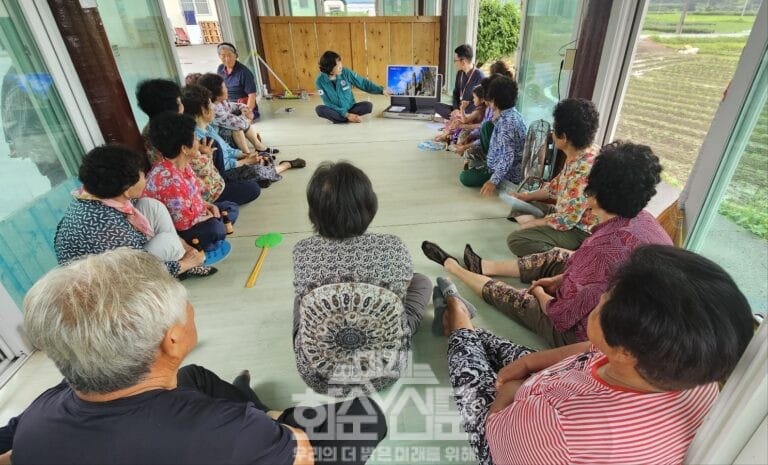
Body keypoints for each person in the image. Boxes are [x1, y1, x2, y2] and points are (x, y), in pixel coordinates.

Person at [0, 248, 388, 464]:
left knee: (197, 377)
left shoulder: (41, 411)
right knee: (366, 417)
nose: (191, 311)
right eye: (186, 305)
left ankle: (257, 405)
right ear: (171, 341)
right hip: (244, 437)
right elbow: (300, 452)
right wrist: (273, 431)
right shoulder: (227, 432)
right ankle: (263, 412)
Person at [434, 245, 754, 465]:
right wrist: (532, 363)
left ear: (626, 352)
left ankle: (458, 316)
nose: (599, 297)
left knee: (468, 367)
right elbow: (592, 351)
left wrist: (510, 391)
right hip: (559, 387)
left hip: (518, 432)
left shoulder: (562, 426)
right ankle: (471, 331)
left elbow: (496, 433)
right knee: (505, 352)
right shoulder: (694, 371)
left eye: (606, 300)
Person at [423, 141, 672, 346]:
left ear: (595, 193)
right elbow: (591, 272)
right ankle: (485, 266)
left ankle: (454, 268)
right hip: (624, 315)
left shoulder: (601, 249)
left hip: (590, 338)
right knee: (558, 255)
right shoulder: (645, 222)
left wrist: (541, 293)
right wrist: (559, 280)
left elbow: (561, 316)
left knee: (519, 299)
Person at [293, 162, 432, 393]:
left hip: (319, 379)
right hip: (387, 373)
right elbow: (404, 290)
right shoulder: (392, 247)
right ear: (369, 207)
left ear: (313, 213)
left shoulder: (302, 252)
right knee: (422, 282)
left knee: (300, 298)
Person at [54, 145, 213, 279]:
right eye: (142, 174)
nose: (146, 178)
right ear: (127, 190)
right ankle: (182, 265)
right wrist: (186, 263)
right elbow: (134, 273)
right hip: (110, 284)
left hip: (120, 259)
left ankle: (181, 254)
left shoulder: (93, 196)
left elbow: (138, 207)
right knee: (168, 242)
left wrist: (185, 246)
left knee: (151, 206)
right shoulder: (110, 228)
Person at [505, 98, 600, 256]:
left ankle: (570, 257)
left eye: (554, 128)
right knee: (519, 205)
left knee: (517, 241)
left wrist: (536, 223)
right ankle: (539, 230)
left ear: (563, 137)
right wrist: (525, 196)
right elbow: (554, 187)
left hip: (579, 230)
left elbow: (567, 220)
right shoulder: (583, 152)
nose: (551, 133)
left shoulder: (582, 171)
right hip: (564, 212)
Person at [144, 112, 239, 251]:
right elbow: (181, 224)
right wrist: (207, 217)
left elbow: (193, 198)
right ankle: (201, 242)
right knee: (216, 228)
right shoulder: (169, 181)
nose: (198, 141)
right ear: (184, 148)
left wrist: (207, 206)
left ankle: (213, 233)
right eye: (195, 137)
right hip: (181, 231)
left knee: (230, 207)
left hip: (194, 214)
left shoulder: (182, 164)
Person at [183, 84, 303, 192]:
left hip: (233, 162)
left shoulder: (208, 128)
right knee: (255, 174)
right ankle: (285, 165)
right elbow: (221, 165)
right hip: (224, 173)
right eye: (210, 105)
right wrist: (245, 161)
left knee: (263, 157)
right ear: (204, 111)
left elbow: (227, 149)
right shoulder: (199, 139)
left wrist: (244, 155)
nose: (214, 108)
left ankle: (263, 174)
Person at [459, 76, 526, 196]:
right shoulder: (513, 114)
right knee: (487, 126)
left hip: (507, 174)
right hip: (497, 161)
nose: (487, 102)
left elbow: (508, 157)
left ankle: (491, 174)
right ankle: (487, 166)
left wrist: (493, 181)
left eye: (489, 99)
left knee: (465, 177)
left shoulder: (507, 123)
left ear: (494, 100)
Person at [196, 72, 278, 155]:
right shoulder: (214, 110)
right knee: (237, 128)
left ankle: (259, 147)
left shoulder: (220, 102)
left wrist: (244, 108)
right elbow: (240, 124)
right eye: (224, 87)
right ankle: (247, 155)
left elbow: (234, 106)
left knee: (239, 123)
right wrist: (248, 117)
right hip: (219, 142)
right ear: (216, 94)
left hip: (224, 131)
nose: (227, 89)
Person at [315, 50, 390, 124]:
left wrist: (381, 90)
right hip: (335, 110)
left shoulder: (346, 72)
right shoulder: (319, 81)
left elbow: (363, 83)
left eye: (341, 65)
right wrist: (346, 115)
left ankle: (339, 119)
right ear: (330, 70)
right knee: (319, 109)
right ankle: (347, 118)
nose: (341, 67)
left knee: (368, 106)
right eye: (339, 67)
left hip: (351, 108)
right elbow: (328, 103)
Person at [136, 78, 185, 167]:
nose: (182, 105)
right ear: (171, 107)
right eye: (179, 101)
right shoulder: (170, 132)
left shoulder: (151, 129)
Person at [435, 44, 485, 119]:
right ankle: (456, 116)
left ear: (463, 62)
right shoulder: (460, 73)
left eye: (455, 61)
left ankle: (458, 118)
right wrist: (455, 109)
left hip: (471, 112)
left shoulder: (480, 77)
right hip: (459, 109)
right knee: (436, 106)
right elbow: (456, 93)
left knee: (473, 113)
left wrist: (462, 111)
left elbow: (480, 104)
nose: (454, 63)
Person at [216, 42, 260, 119]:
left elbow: (252, 95)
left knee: (240, 122)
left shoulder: (244, 72)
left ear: (236, 55)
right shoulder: (220, 69)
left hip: (242, 106)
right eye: (223, 56)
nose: (227, 59)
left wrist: (248, 111)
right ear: (219, 56)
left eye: (229, 55)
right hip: (227, 105)